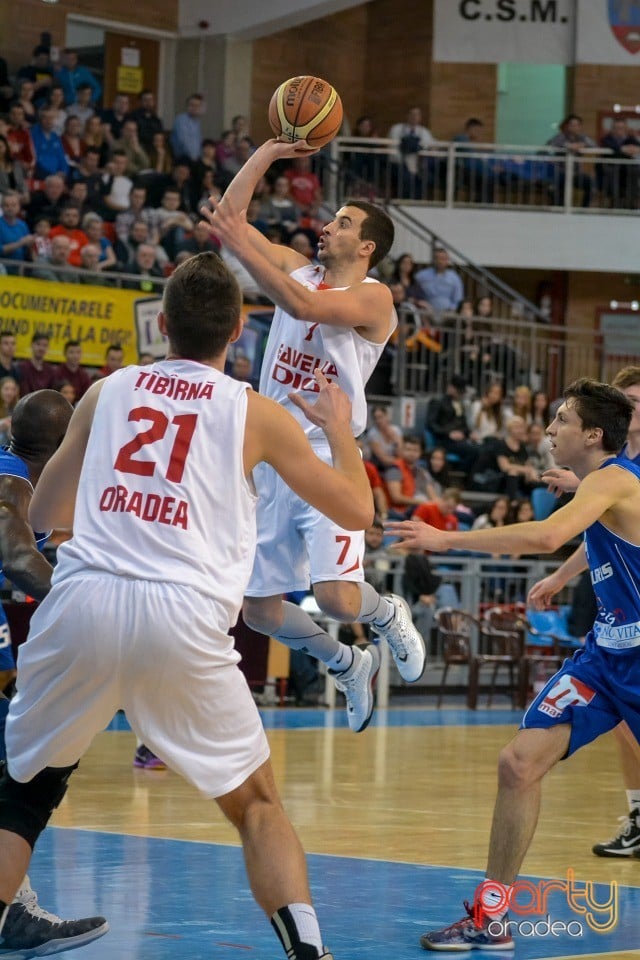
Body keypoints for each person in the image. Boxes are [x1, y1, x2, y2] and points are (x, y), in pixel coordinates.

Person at [0, 251, 377, 960]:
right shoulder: (256, 414)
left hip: (81, 599)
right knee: (257, 805)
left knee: (23, 796)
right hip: (181, 615)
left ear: (162, 326)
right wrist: (343, 430)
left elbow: (48, 513)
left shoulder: (107, 391)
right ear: (238, 331)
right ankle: (309, 953)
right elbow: (356, 510)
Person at [387, 378, 640, 951]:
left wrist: (446, 540)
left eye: (562, 422)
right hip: (606, 657)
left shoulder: (614, 480)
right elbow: (586, 525)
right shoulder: (603, 483)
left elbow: (548, 533)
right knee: (518, 764)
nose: (550, 431)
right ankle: (491, 917)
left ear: (594, 434)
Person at [202, 136, 426, 734]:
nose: (328, 226)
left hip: (329, 454)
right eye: (331, 218)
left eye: (344, 222)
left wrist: (253, 257)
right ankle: (346, 662)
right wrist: (270, 153)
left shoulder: (374, 297)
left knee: (337, 600)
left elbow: (302, 308)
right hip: (272, 455)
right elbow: (231, 221)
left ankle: (385, 612)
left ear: (367, 245)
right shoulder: (297, 269)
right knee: (260, 612)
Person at [0, 389, 109, 957]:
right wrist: (80, 598)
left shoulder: (26, 475)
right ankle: (13, 912)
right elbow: (17, 557)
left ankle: (14, 905)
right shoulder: (11, 476)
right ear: (62, 447)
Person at [543, 365, 640, 859]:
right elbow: (604, 524)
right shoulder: (610, 468)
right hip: (614, 608)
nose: (632, 406)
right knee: (622, 720)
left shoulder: (622, 475)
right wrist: (562, 575)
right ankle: (639, 812)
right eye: (626, 398)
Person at [415, 247, 464, 316]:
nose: (440, 261)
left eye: (443, 259)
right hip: (426, 312)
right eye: (438, 258)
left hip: (448, 313)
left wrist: (453, 310)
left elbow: (458, 298)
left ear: (447, 260)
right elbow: (414, 292)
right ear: (434, 259)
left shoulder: (454, 277)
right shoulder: (422, 276)